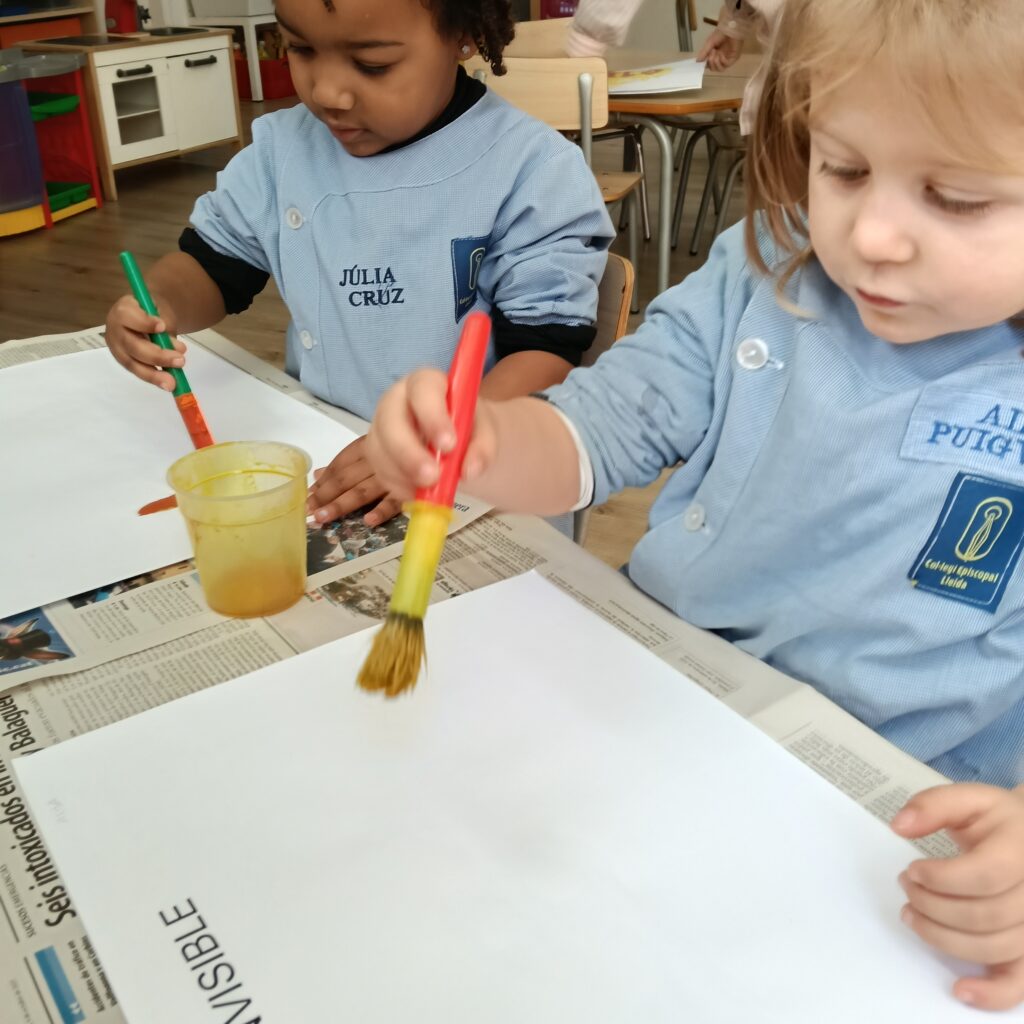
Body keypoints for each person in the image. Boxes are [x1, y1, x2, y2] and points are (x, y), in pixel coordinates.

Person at [366, 0, 1024, 1009]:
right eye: (843, 168)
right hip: (652, 710)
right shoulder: (765, 268)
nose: (872, 236)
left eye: (956, 197)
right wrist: (486, 447)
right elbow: (598, 431)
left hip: (881, 819)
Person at [104, 0, 613, 529]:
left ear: (462, 36)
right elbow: (213, 265)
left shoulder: (530, 171)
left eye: (372, 65)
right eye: (301, 49)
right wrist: (160, 304)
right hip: (330, 451)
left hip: (476, 476)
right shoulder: (283, 153)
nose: (327, 92)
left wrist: (431, 443)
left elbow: (545, 351)